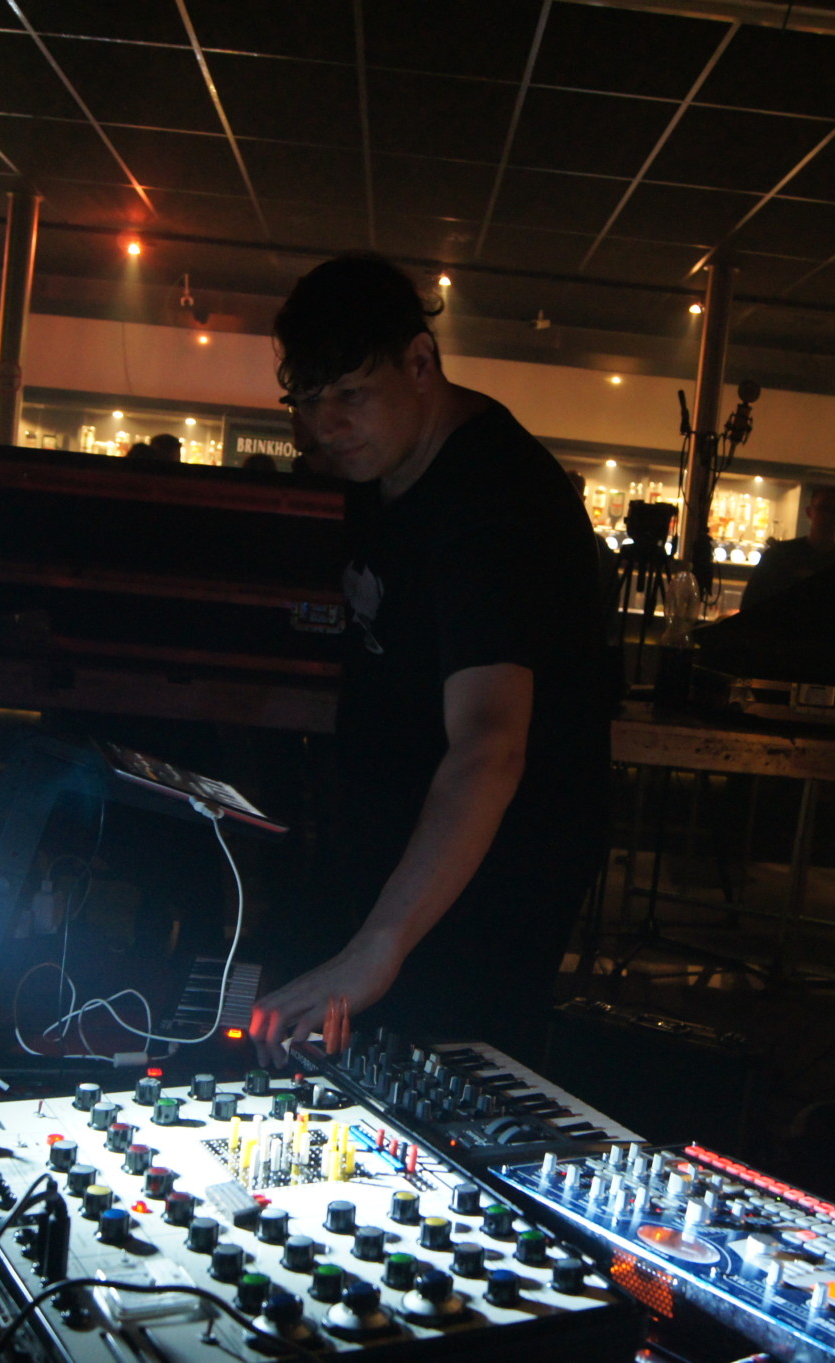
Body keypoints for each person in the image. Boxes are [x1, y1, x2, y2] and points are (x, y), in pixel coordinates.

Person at [248, 253, 609, 1063]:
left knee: (443, 1079)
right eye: (308, 401)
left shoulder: (491, 504)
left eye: (351, 395)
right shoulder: (387, 464)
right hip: (407, 863)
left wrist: (379, 945)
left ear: (420, 362)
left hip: (486, 877)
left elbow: (490, 744)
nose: (327, 425)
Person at [743, 484, 835, 610]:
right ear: (809, 512)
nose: (828, 516)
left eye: (834, 511)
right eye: (823, 509)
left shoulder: (779, 554)